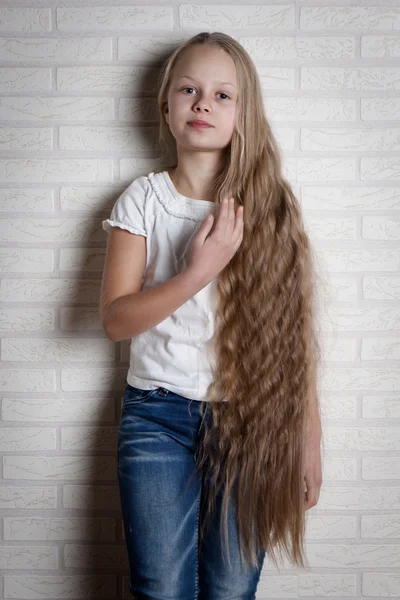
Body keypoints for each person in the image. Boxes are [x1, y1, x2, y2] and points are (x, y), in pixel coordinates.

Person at [100, 31, 324, 600]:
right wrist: (198, 271)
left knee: (231, 588)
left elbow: (293, 339)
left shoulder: (271, 205)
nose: (203, 103)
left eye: (223, 95)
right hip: (157, 420)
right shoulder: (144, 200)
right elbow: (116, 320)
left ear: (244, 114)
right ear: (166, 107)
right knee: (162, 587)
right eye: (189, 90)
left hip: (253, 425)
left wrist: (308, 438)